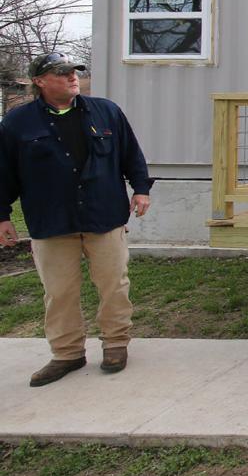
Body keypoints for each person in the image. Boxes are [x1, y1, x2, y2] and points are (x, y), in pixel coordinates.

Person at [0, 52, 152, 386]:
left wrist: (141, 189)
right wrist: (2, 216)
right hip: (51, 221)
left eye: (74, 72)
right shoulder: (18, 123)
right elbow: (4, 173)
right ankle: (67, 353)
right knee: (59, 291)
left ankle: (115, 344)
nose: (72, 77)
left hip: (104, 215)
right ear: (40, 81)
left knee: (114, 284)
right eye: (62, 73)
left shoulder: (106, 111)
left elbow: (131, 154)